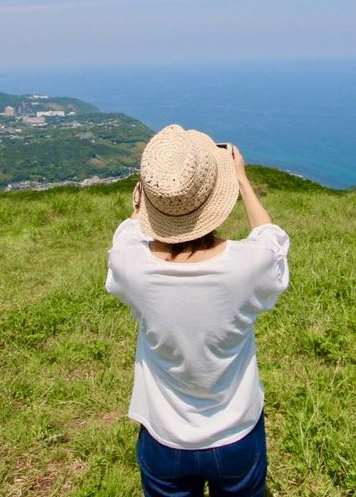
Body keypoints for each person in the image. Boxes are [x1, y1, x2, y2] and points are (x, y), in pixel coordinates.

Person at [105, 124, 290, 497]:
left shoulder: (130, 266)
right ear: (215, 199)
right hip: (237, 433)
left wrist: (145, 205)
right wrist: (241, 178)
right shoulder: (248, 266)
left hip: (164, 437)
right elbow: (270, 236)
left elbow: (128, 230)